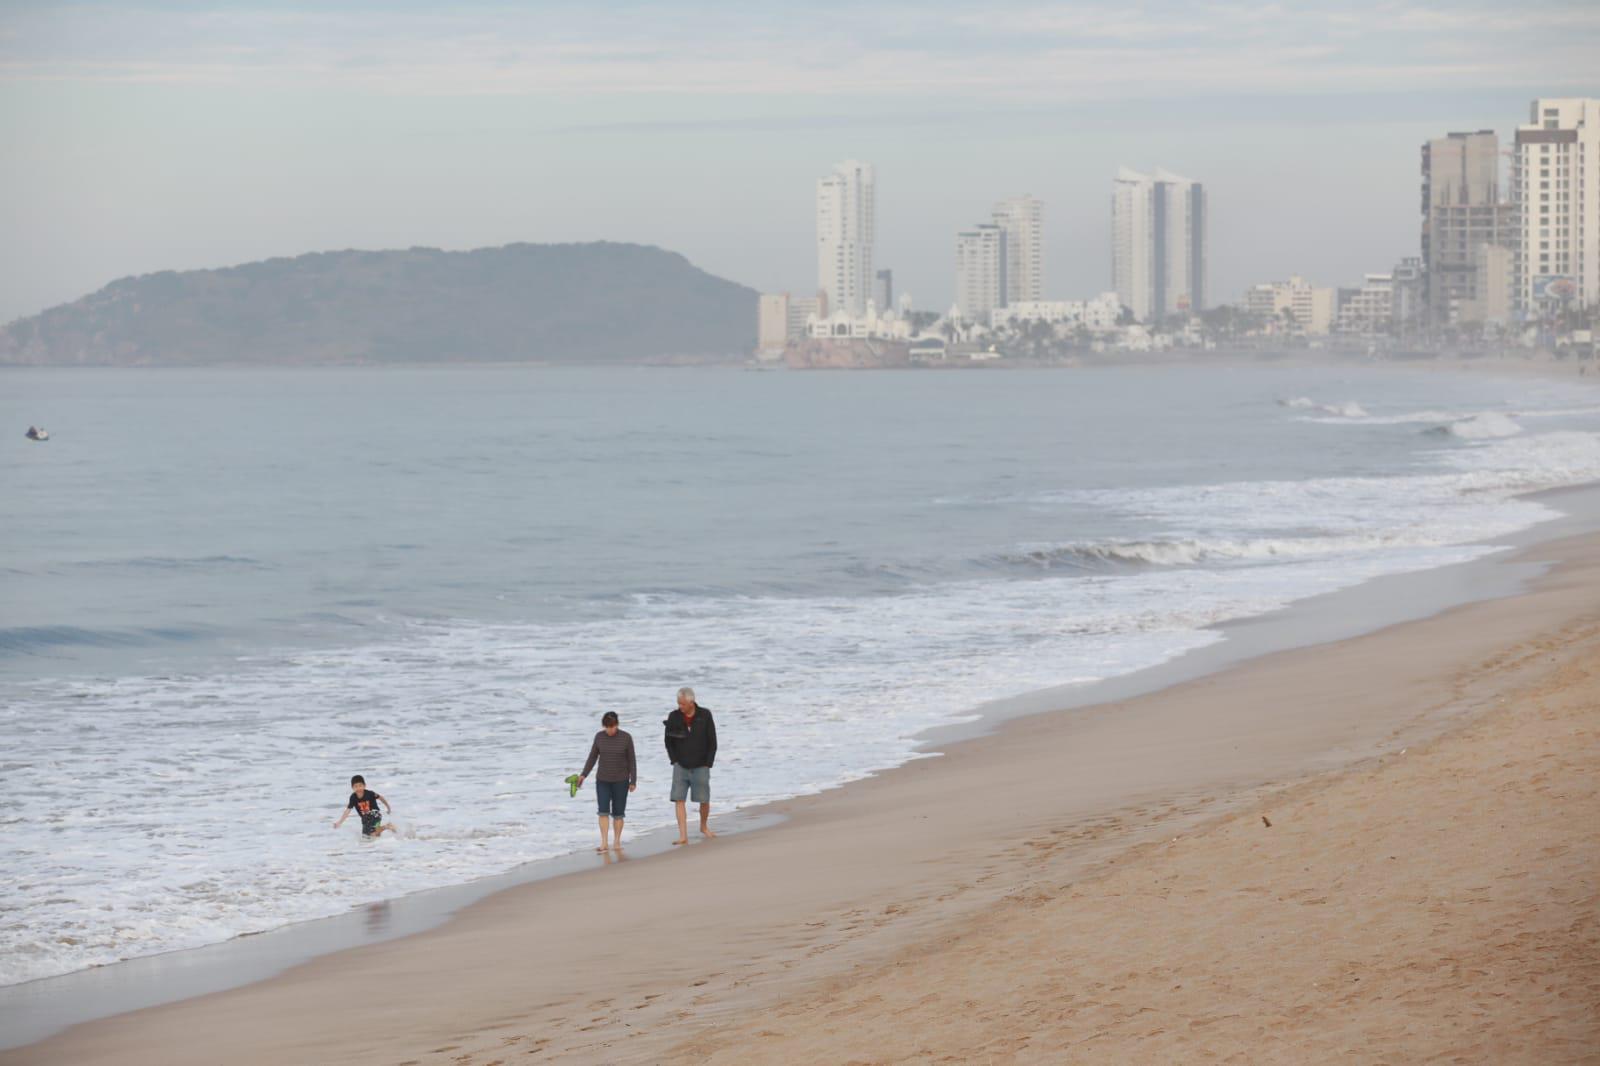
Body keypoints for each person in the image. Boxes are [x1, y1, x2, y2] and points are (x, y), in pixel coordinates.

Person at [663, 686, 717, 845]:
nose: (680, 706)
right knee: (678, 799)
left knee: (704, 799)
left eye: (682, 704)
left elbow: (712, 741)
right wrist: (674, 760)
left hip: (701, 765)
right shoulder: (673, 716)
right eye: (678, 703)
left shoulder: (705, 715)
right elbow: (668, 741)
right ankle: (683, 836)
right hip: (680, 765)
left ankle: (703, 826)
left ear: (691, 702)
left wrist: (708, 763)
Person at [577, 711, 637, 852]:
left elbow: (632, 760)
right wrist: (583, 775)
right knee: (603, 811)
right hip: (602, 780)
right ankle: (604, 842)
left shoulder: (626, 737)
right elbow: (592, 757)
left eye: (612, 726)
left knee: (618, 813)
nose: (610, 730)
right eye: (607, 727)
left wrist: (633, 780)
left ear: (617, 724)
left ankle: (616, 842)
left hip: (621, 781)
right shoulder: (599, 737)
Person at [333, 775, 397, 838]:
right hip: (365, 819)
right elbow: (348, 810)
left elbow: (380, 798)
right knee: (373, 836)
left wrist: (388, 807)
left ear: (364, 786)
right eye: (356, 786)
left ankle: (387, 826)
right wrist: (339, 822)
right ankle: (389, 832)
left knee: (368, 834)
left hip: (375, 814)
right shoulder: (353, 797)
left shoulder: (370, 793)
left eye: (360, 785)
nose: (358, 788)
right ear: (352, 788)